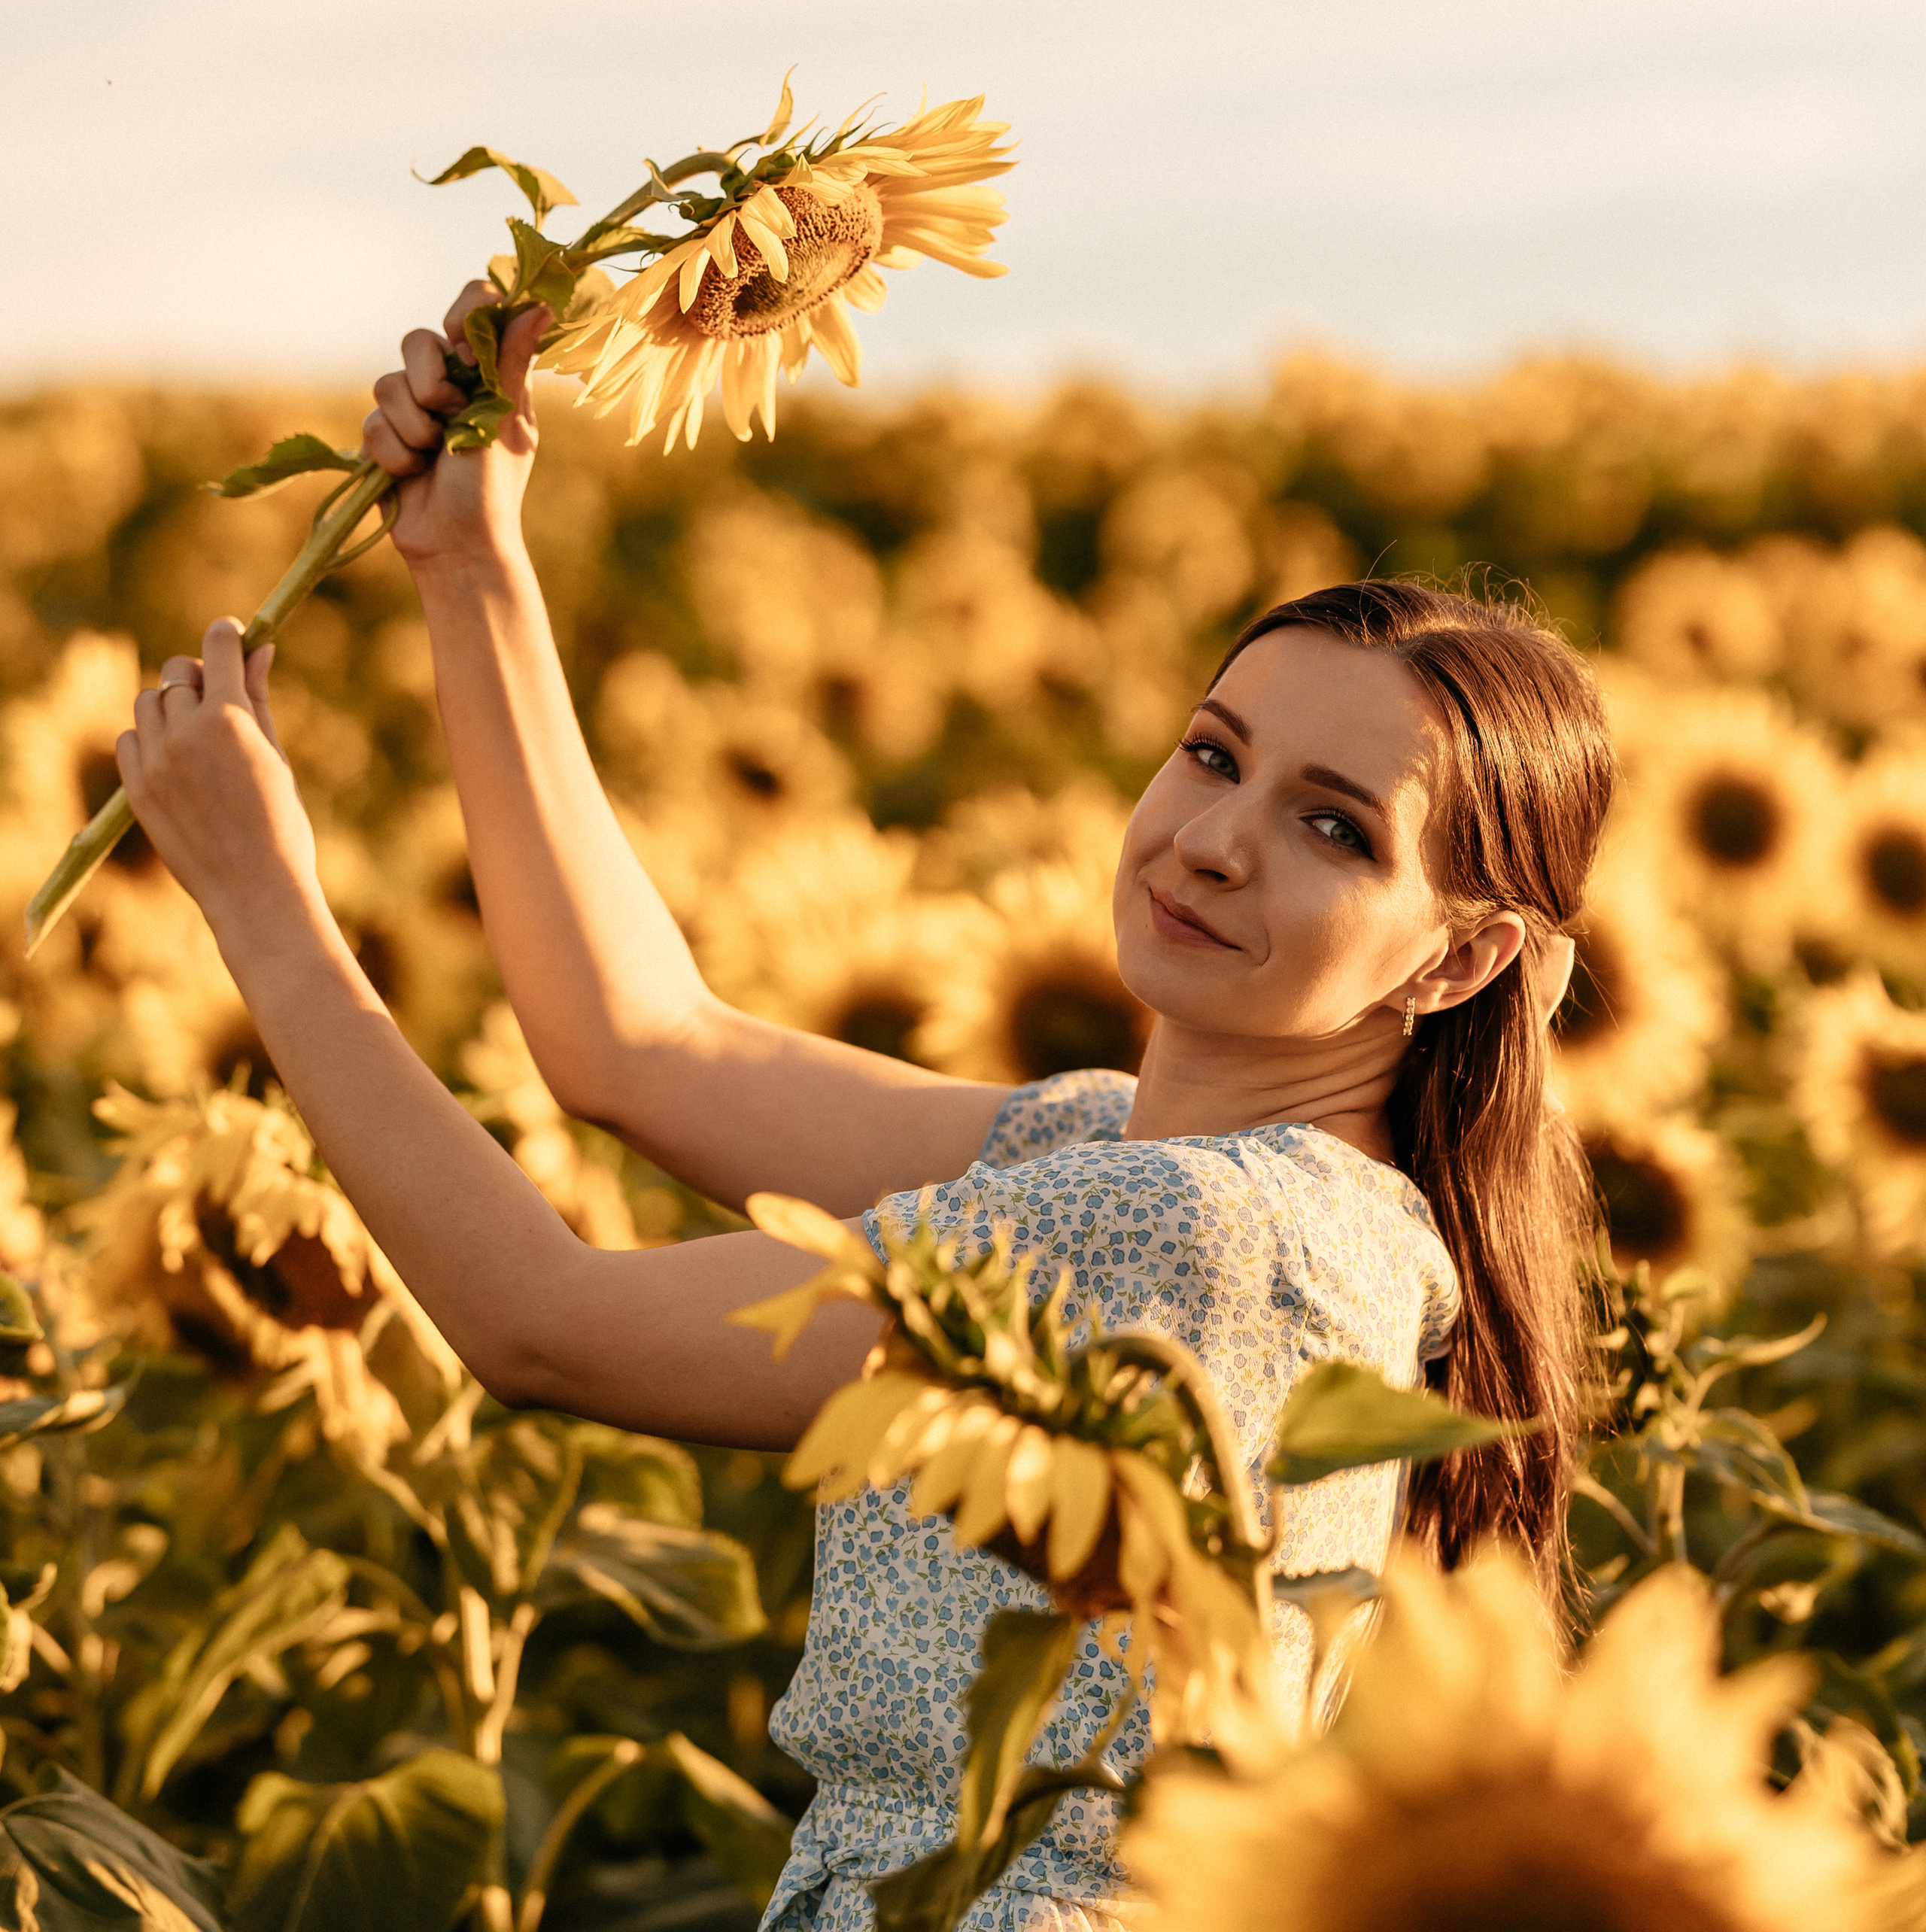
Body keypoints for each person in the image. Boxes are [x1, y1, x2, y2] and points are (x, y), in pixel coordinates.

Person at [115, 287, 1612, 1932]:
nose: (1211, 839)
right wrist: (470, 564)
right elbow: (641, 1047)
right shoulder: (1138, 1162)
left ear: (1460, 961)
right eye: (1210, 755)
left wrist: (262, 910)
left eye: (1333, 830)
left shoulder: (1178, 1233)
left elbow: (539, 1324)